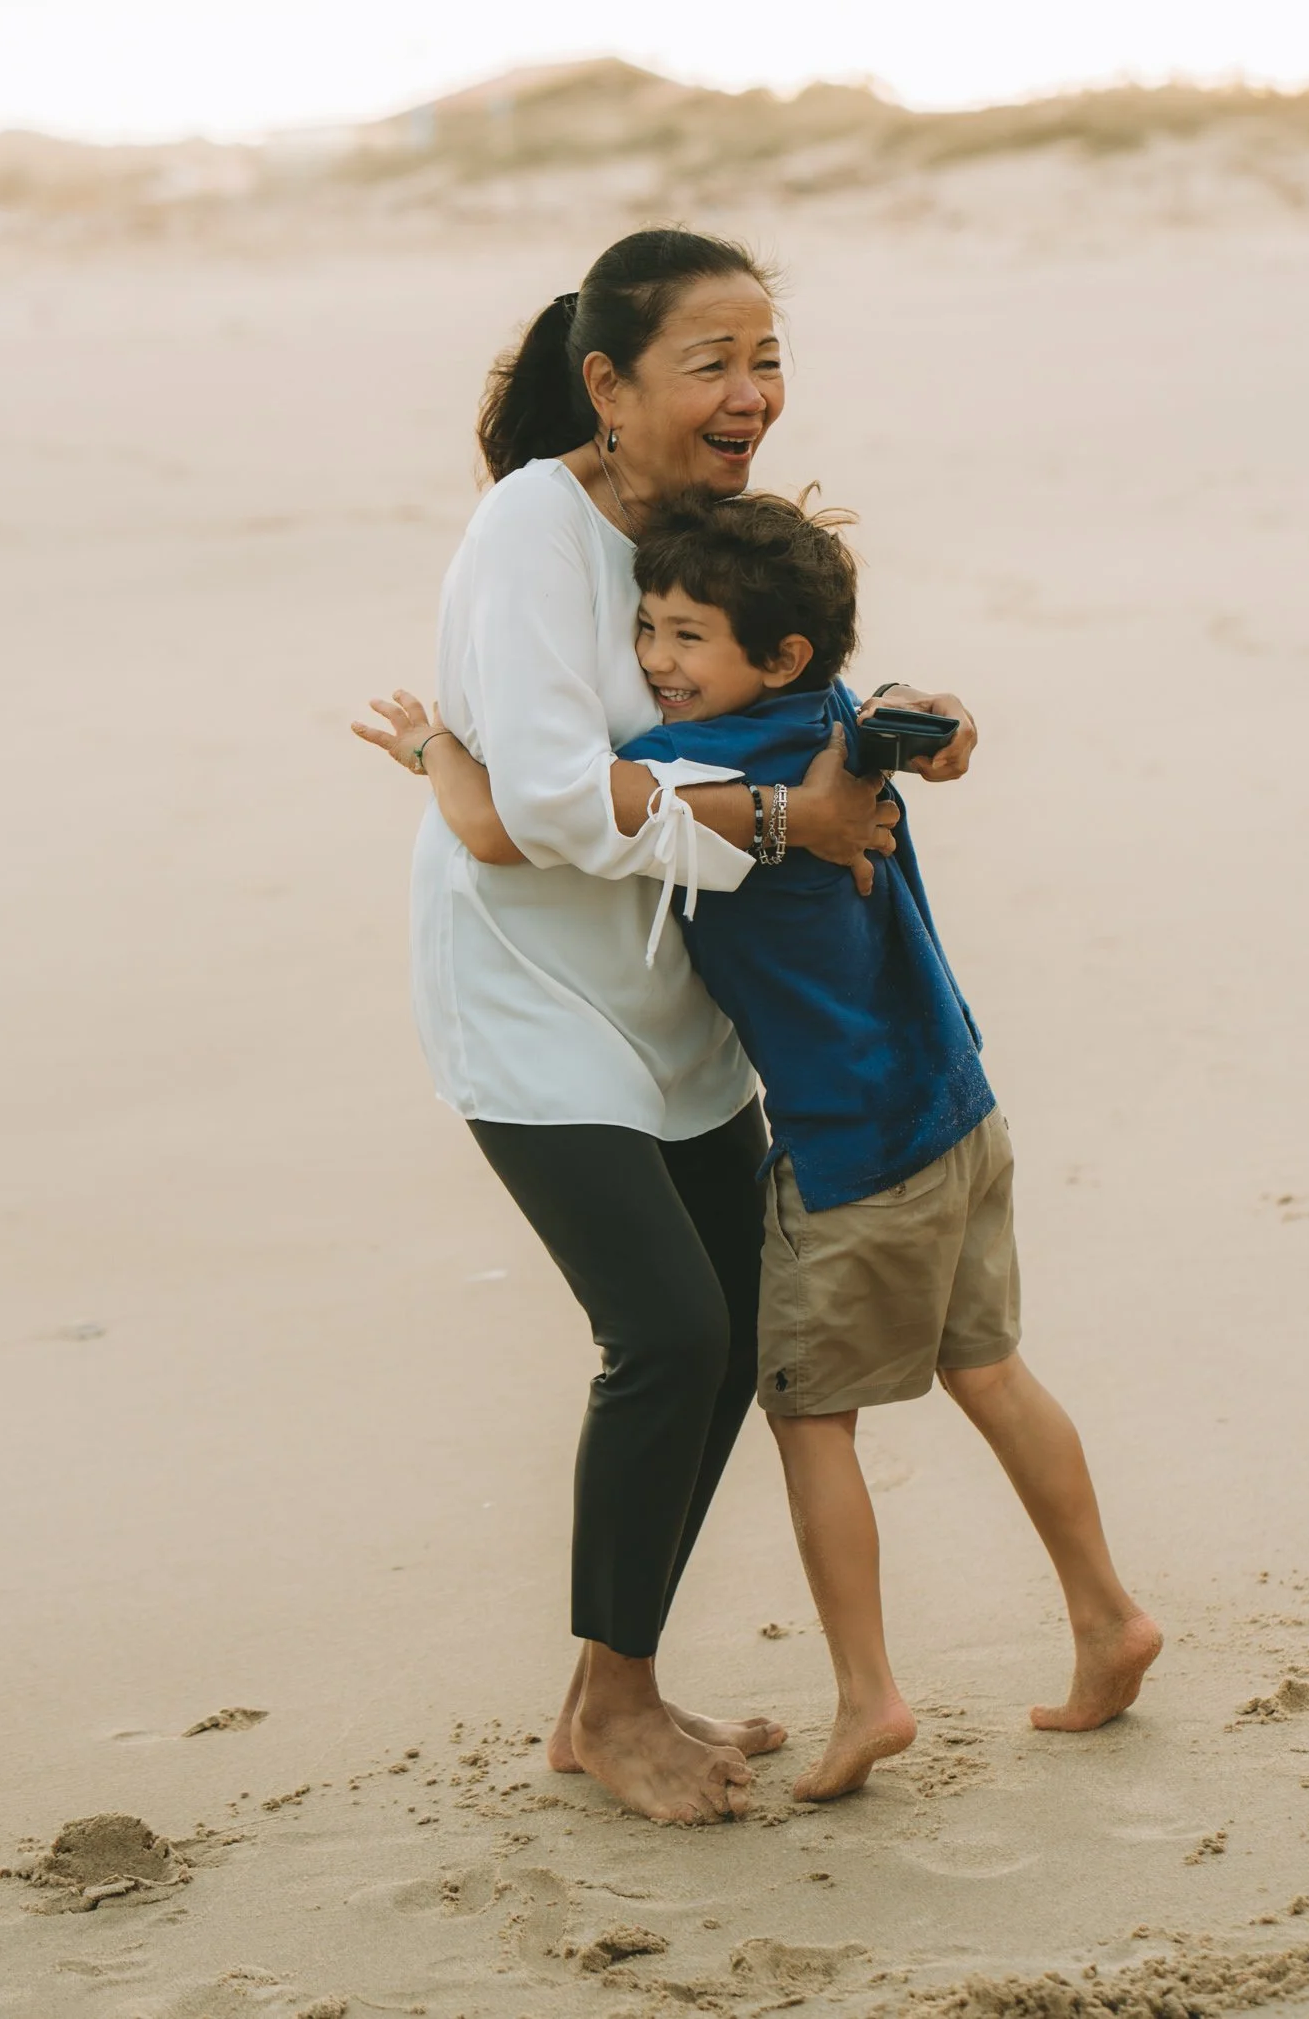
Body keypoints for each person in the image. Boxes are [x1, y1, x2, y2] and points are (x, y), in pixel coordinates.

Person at [392, 486, 1161, 1806]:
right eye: (645, 626)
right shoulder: (835, 729)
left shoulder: (715, 776)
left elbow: (519, 822)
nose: (651, 661)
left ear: (776, 655)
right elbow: (915, 721)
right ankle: (1107, 1616)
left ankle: (867, 1697)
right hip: (956, 1106)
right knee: (989, 1371)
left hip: (850, 1155)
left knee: (808, 1417)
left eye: (686, 636)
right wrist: (943, 724)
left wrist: (433, 753)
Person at [352, 230, 977, 1826]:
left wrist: (892, 747)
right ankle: (616, 1698)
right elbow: (547, 808)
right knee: (669, 1338)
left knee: (728, 1341)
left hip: (675, 989)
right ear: (608, 383)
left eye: (765, 360)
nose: (750, 394)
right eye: (711, 363)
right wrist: (790, 820)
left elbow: (789, 689)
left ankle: (595, 1698)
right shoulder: (527, 531)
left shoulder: (696, 525)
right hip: (527, 998)